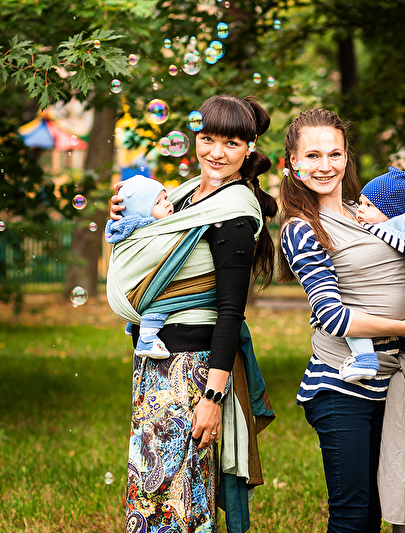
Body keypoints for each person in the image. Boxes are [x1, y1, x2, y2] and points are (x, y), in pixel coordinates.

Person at [107, 94, 277, 533]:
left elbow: (230, 311)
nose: (216, 153)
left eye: (231, 144)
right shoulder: (183, 199)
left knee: (180, 502)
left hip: (191, 373)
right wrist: (127, 217)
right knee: (150, 496)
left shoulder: (233, 213)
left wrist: (212, 399)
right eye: (208, 139)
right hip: (155, 365)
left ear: (249, 148)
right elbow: (150, 243)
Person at [278, 108, 405, 533]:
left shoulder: (364, 213)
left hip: (386, 380)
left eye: (335, 154)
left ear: (347, 157)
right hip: (340, 387)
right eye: (312, 156)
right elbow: (331, 316)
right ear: (293, 162)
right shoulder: (301, 228)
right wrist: (401, 328)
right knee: (352, 516)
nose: (325, 165)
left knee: (378, 507)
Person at [338, 165, 405, 382]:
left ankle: (365, 359)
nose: (360, 210)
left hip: (380, 307)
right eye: (360, 203)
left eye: (369, 205)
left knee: (349, 312)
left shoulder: (375, 231)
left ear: (390, 213)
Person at [104, 175, 176, 359]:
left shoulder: (133, 225)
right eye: (158, 203)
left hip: (137, 283)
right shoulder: (148, 227)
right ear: (143, 212)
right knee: (165, 300)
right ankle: (147, 337)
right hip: (149, 283)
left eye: (166, 198)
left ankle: (134, 321)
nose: (167, 204)